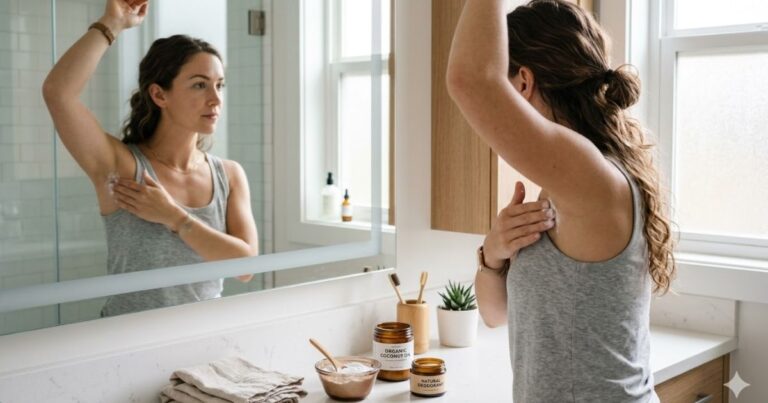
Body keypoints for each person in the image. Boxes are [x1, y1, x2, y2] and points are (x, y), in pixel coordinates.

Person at [447, 1, 675, 401]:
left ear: (523, 82)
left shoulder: (590, 174)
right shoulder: (567, 185)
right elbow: (496, 315)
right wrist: (493, 256)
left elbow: (471, 80)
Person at [42, 0, 259, 317]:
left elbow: (246, 267)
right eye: (200, 85)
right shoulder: (122, 166)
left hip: (206, 334)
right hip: (130, 337)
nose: (215, 99)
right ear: (159, 95)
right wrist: (112, 23)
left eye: (219, 85)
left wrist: (174, 217)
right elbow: (58, 93)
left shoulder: (229, 174)